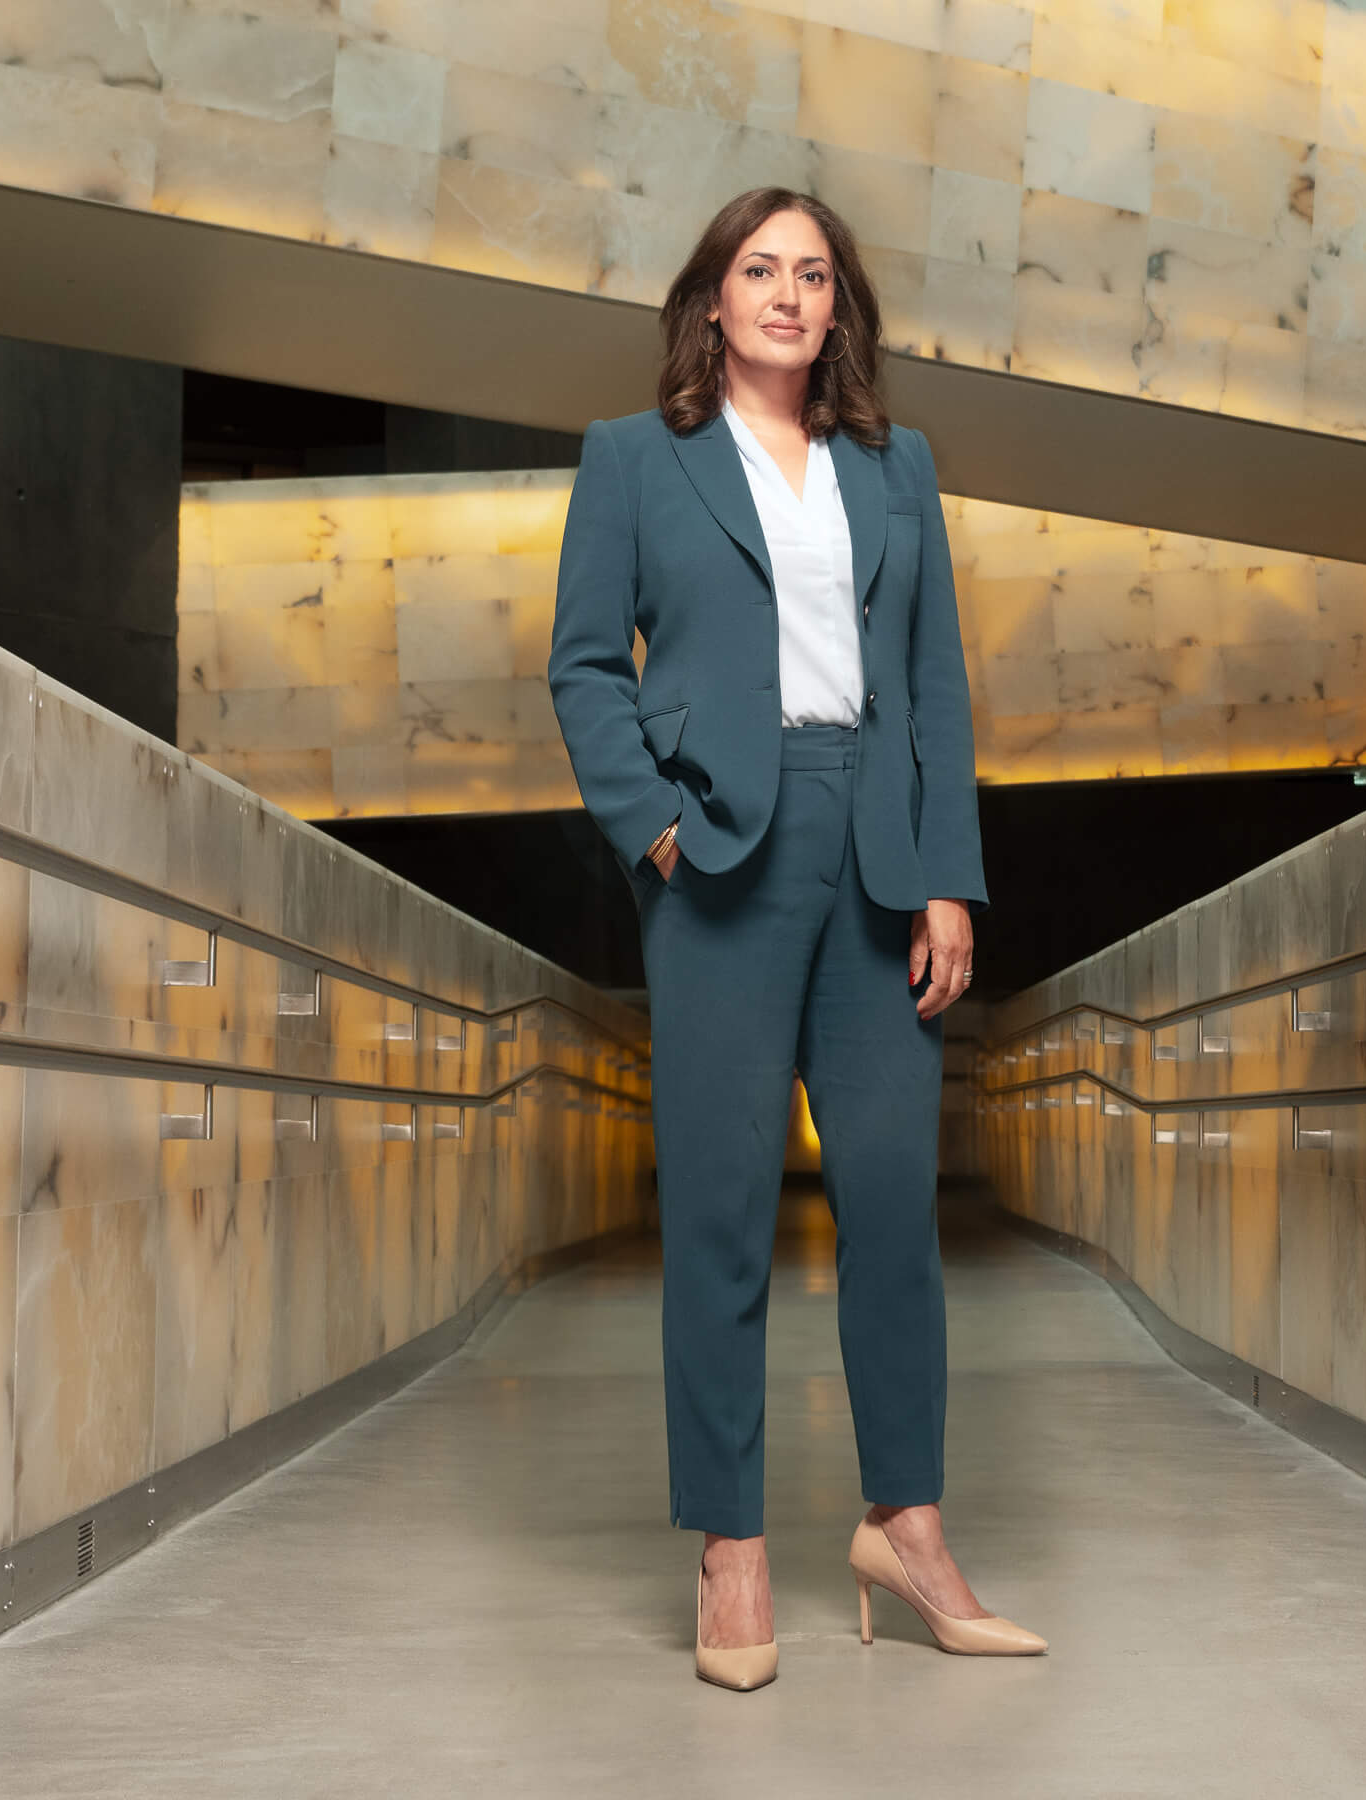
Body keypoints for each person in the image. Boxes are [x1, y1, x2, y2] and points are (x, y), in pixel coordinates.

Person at [547, 188, 1046, 1691]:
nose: (786, 293)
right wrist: (655, 829)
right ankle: (733, 1547)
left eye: (813, 274)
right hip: (721, 855)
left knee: (891, 1202)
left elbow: (935, 683)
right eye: (759, 269)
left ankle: (908, 1527)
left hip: (878, 854)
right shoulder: (635, 460)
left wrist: (948, 878)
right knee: (718, 1211)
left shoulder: (898, 468)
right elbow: (585, 669)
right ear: (714, 298)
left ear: (839, 307)